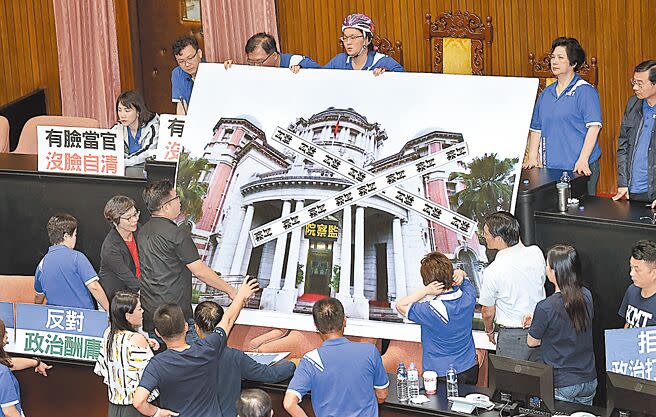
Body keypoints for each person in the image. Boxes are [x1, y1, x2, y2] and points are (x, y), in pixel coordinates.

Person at [132, 277, 259, 417]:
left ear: (158, 333)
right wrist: (241, 294)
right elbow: (228, 320)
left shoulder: (157, 364)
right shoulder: (207, 349)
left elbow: (138, 402)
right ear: (186, 326)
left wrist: (157, 412)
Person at [138, 179, 238, 345]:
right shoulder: (177, 235)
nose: (179, 201)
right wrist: (231, 291)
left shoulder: (143, 232)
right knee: (189, 363)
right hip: (176, 317)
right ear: (166, 206)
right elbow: (199, 271)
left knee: (162, 363)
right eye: (176, 198)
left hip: (151, 313)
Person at [283, 298, 389, 417]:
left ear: (316, 326)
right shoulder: (369, 351)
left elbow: (289, 403)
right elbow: (382, 395)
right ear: (344, 321)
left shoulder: (310, 360)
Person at [524, 37, 602, 196]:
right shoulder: (546, 93)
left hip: (578, 168)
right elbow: (536, 128)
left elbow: (594, 127)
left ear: (573, 63)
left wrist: (583, 159)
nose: (554, 61)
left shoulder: (585, 91)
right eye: (553, 57)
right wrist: (533, 157)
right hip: (551, 169)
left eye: (560, 57)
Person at [194, 301, 295, 417]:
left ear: (196, 328)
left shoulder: (185, 356)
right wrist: (292, 364)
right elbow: (271, 374)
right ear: (226, 326)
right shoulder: (234, 357)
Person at [527, 245, 597, 405]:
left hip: (562, 382)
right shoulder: (586, 295)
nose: (545, 268)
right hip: (589, 379)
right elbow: (570, 322)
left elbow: (532, 342)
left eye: (547, 265)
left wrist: (536, 323)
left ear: (554, 271)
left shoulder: (545, 307)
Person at [396, 252, 479, 384]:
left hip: (440, 373)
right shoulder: (468, 296)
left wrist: (425, 291)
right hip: (469, 368)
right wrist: (461, 273)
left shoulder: (431, 310)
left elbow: (400, 305)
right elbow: (464, 280)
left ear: (429, 282)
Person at [478, 211, 546, 361]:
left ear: (499, 239)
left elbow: (488, 312)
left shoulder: (493, 271)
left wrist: (489, 331)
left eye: (486, 233)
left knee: (512, 383)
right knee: (542, 380)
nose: (484, 237)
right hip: (541, 329)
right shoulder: (536, 252)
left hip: (513, 338)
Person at [94, 291, 157, 417]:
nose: (143, 312)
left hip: (114, 405)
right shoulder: (136, 339)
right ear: (128, 316)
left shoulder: (108, 334)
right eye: (139, 309)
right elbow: (152, 376)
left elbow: (101, 369)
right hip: (137, 408)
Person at [34, 214, 110, 311]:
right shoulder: (77, 257)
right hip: (82, 318)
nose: (75, 239)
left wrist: (36, 310)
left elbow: (39, 296)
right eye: (75, 235)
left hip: (56, 319)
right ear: (66, 236)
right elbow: (94, 287)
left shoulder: (42, 263)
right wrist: (109, 311)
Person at [613, 60, 656, 207]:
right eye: (634, 82)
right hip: (635, 190)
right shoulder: (633, 104)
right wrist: (623, 182)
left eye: (640, 83)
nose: (635, 87)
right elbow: (623, 145)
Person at [0, 319, 52, 417]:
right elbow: (9, 412)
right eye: (4, 332)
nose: (6, 335)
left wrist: (36, 363)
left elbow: (10, 363)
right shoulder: (3, 372)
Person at [323, 13, 404, 75]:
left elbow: (404, 81)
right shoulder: (339, 61)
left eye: (353, 37)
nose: (348, 42)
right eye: (345, 38)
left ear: (367, 40)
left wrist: (388, 75)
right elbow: (319, 76)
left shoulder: (383, 61)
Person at [99, 196, 141, 303]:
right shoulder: (110, 247)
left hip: (135, 290)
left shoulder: (138, 230)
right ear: (115, 221)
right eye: (128, 218)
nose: (134, 220)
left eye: (135, 214)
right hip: (117, 298)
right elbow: (128, 278)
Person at [111, 91, 159, 167]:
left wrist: (123, 162)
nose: (122, 115)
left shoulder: (153, 127)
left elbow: (148, 152)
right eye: (119, 110)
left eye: (127, 110)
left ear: (138, 112)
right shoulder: (117, 128)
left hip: (147, 170)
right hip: (126, 171)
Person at [619, 239, 656, 327]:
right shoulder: (632, 290)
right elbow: (628, 322)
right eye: (631, 267)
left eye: (637, 269)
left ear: (654, 273)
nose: (631, 273)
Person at [245, 32, 320, 72]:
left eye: (259, 61)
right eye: (251, 62)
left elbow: (323, 76)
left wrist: (303, 72)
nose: (255, 66)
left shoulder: (297, 62)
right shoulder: (253, 69)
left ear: (274, 56)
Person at [171, 36, 203, 115]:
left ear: (199, 53)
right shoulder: (178, 73)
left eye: (190, 58)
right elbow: (181, 107)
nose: (187, 64)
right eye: (181, 61)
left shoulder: (211, 69)